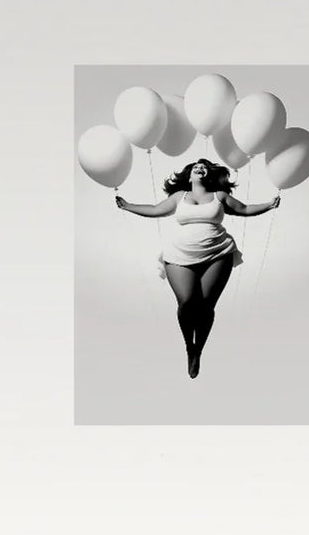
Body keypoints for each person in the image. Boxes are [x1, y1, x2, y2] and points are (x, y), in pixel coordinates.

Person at [114, 158, 280, 377]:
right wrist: (127, 206)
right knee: (187, 303)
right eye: (195, 167)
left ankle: (197, 352)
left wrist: (269, 205)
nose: (200, 168)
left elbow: (245, 208)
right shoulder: (179, 197)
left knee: (205, 306)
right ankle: (188, 346)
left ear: (208, 175)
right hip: (180, 254)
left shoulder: (219, 197)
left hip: (218, 253)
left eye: (204, 167)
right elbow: (155, 210)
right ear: (189, 175)